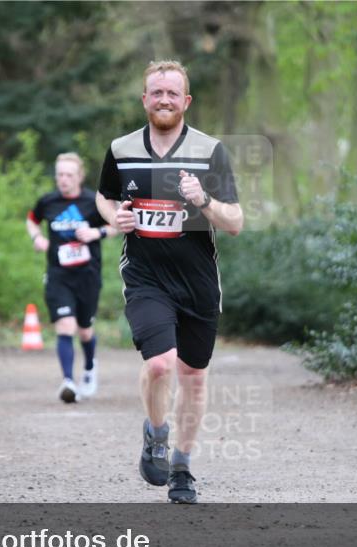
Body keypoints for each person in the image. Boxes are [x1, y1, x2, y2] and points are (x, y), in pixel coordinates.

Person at [96, 60, 243, 504]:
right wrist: (115, 217)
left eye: (172, 94)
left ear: (186, 101)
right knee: (160, 363)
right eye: (156, 92)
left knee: (193, 376)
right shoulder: (122, 150)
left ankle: (181, 467)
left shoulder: (209, 150)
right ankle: (157, 431)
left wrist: (204, 201)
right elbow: (104, 196)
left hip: (198, 282)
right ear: (144, 98)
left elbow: (235, 221)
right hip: (145, 277)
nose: (163, 100)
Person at [27, 152, 116, 403]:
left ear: (79, 176)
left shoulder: (93, 201)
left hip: (87, 275)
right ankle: (68, 382)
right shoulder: (47, 202)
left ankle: (89, 368)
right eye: (59, 174)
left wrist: (95, 233)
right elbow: (32, 221)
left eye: (68, 175)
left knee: (85, 330)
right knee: (66, 325)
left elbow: (117, 225)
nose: (63, 179)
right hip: (58, 275)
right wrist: (37, 238)